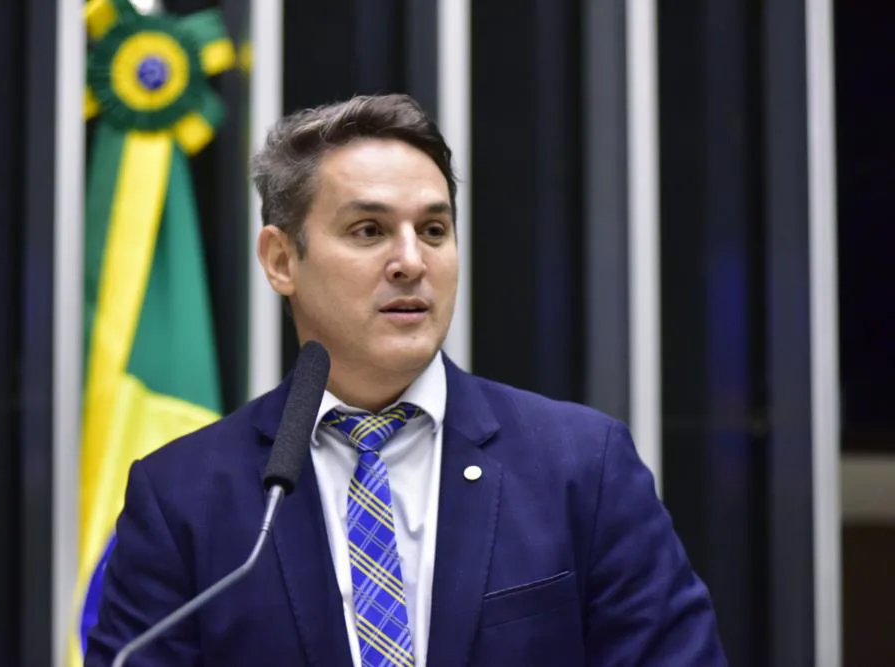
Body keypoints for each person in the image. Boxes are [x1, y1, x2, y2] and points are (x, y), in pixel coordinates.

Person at [85, 93, 727, 666]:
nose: (412, 262)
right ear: (281, 260)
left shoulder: (582, 466)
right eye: (369, 231)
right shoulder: (181, 496)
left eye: (433, 230)